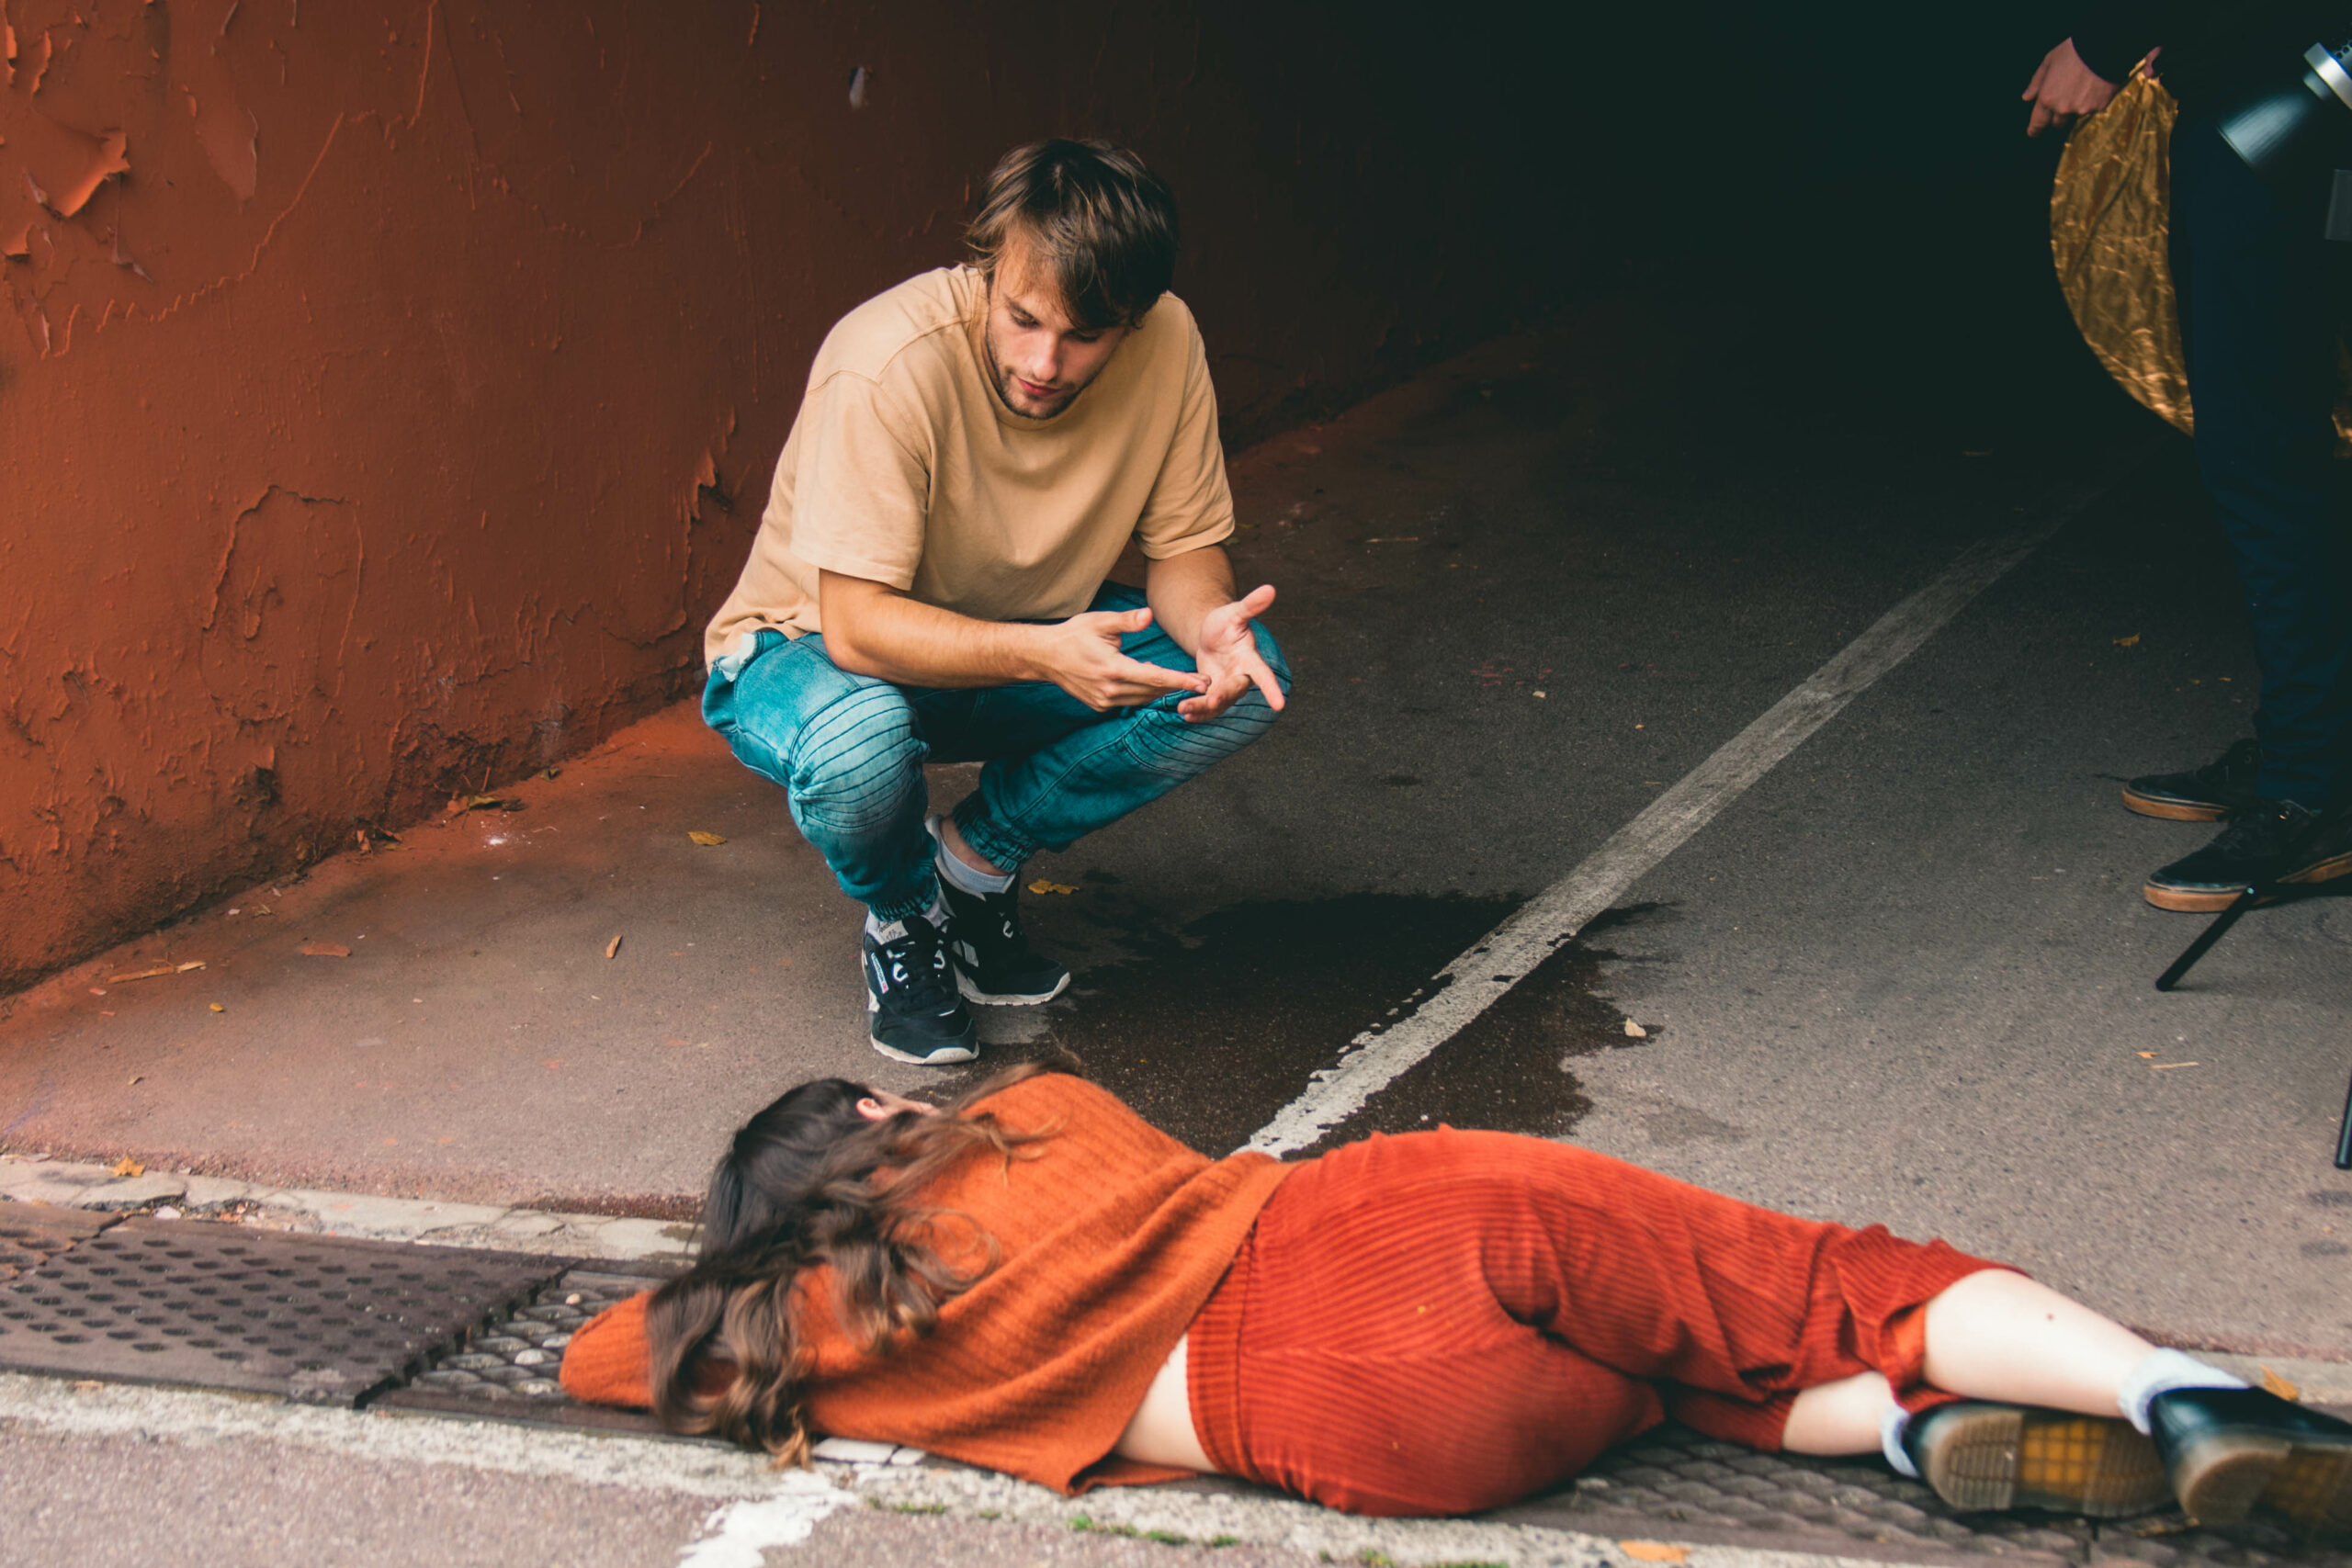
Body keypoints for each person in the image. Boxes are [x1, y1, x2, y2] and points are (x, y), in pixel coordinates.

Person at [559, 1063, 2352, 1531]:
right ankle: (2181, 1395)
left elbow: (595, 1350)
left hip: (1386, 1441)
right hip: (1385, 1233)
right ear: (869, 1124)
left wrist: (749, 1280)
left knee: (1653, 1372)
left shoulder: (807, 1341)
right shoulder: (1020, 1121)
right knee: (1799, 1277)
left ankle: (1912, 1432)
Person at [701, 140, 1289, 1065]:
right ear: (988, 264)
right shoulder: (886, 363)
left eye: (1085, 336)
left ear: (1132, 318)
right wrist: (1043, 653)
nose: (1044, 362)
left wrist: (1209, 618)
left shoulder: (1169, 341)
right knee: (858, 746)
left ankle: (970, 864)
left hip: (1016, 638)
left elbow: (1182, 552)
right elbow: (855, 626)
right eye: (1021, 319)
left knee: (1245, 676)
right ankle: (904, 918)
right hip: (807, 655)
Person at [2024, 11, 2352, 910]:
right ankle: (2309, 751)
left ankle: (2310, 792)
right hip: (2270, 95)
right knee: (2277, 451)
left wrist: (2109, 36)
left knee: (2267, 457)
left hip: (2292, 117)